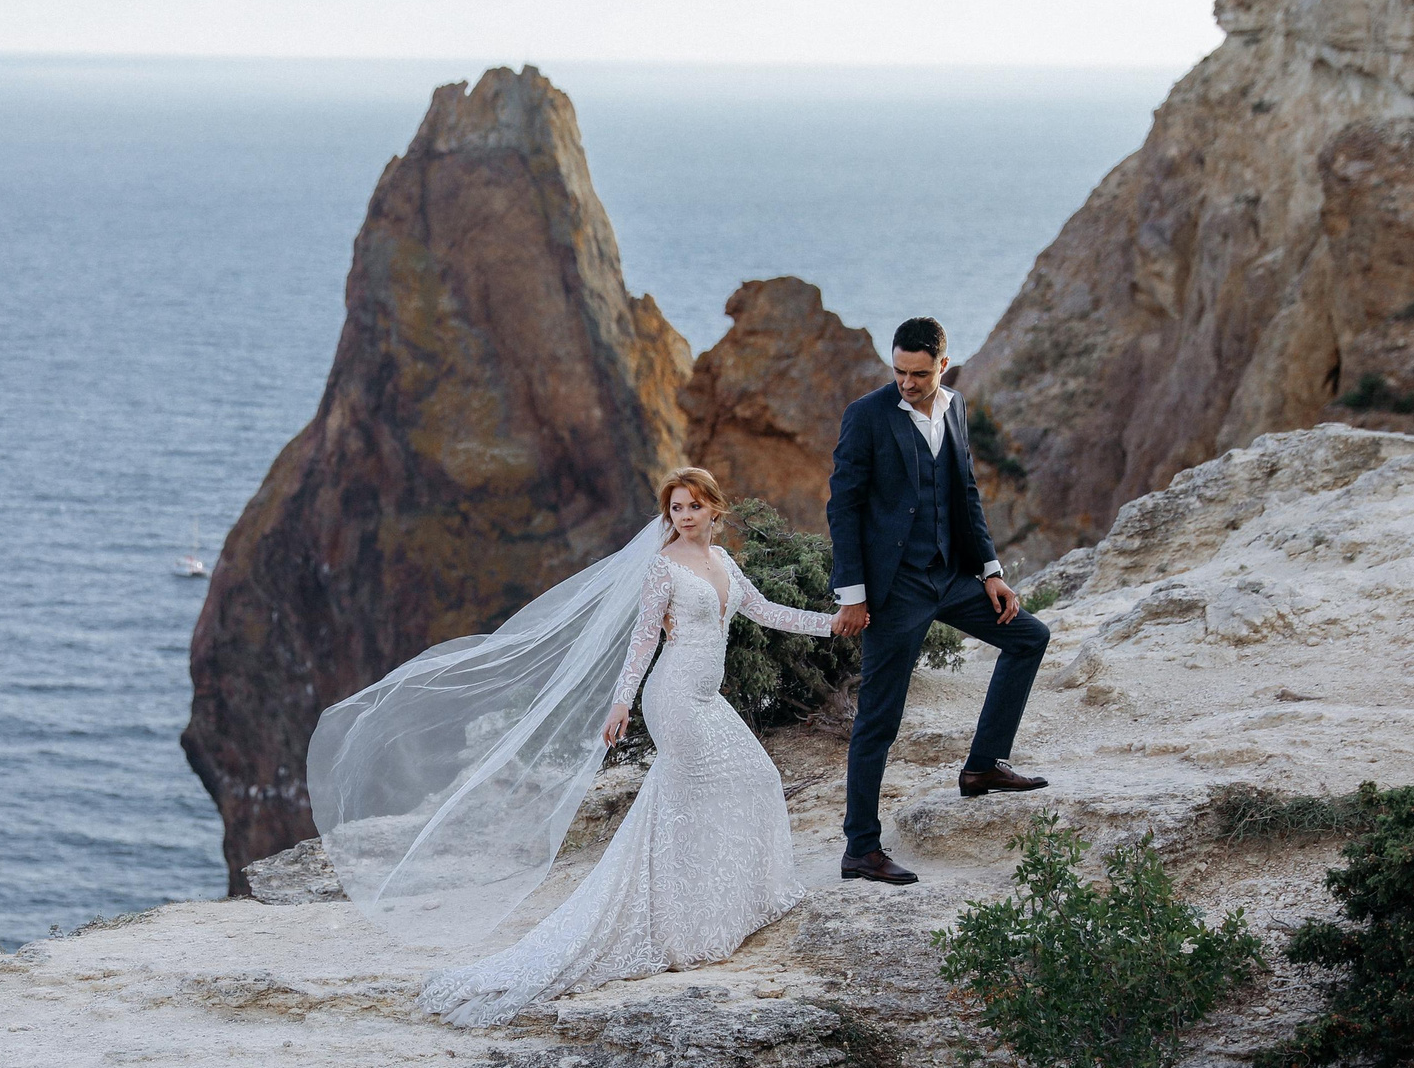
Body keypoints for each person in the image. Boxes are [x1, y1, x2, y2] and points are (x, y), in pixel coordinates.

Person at [409, 468, 836, 1026]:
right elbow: (643, 636)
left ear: (715, 509)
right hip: (673, 696)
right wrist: (621, 702)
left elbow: (768, 612)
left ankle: (730, 902)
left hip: (708, 697)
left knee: (757, 777)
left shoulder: (725, 563)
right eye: (676, 508)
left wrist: (835, 624)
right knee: (684, 802)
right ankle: (683, 928)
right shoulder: (664, 566)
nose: (684, 516)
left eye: (694, 506)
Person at [825, 317, 1052, 886]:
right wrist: (853, 595)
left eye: (919, 374)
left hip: (949, 576)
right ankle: (860, 849)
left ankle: (983, 767)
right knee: (879, 719)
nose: (906, 382)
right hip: (893, 590)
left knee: (1029, 637)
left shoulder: (955, 408)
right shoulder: (866, 415)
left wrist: (991, 571)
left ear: (942, 366)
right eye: (899, 371)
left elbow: (965, 493)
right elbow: (843, 506)